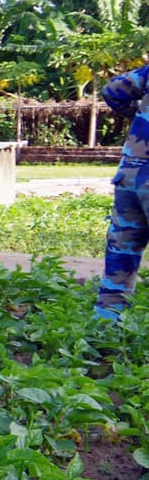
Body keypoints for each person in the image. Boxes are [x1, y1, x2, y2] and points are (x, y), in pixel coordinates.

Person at [96, 60, 149, 321]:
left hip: (131, 171)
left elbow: (114, 90)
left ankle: (106, 322)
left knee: (123, 249)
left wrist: (138, 117)